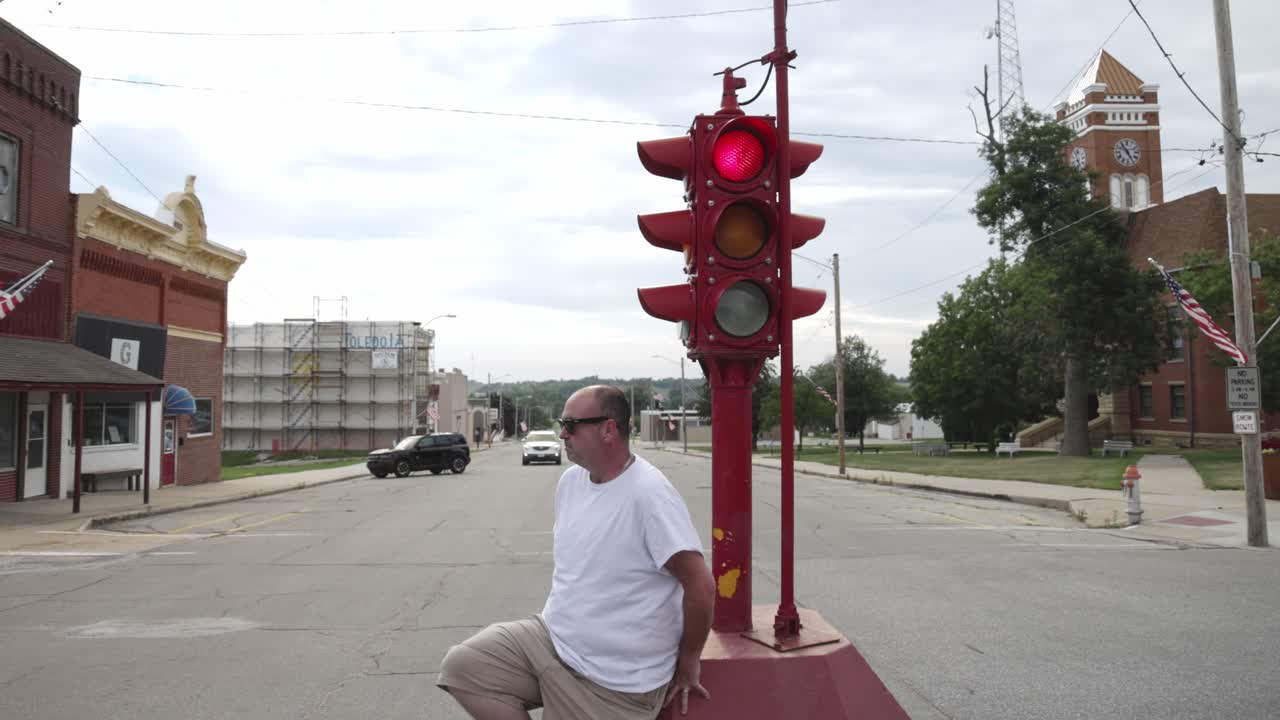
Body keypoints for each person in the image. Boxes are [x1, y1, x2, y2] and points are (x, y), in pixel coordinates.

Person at [439, 385, 716, 720]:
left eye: (571, 425)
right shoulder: (571, 482)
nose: (562, 434)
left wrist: (689, 662)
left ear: (608, 429)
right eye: (561, 423)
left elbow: (700, 584)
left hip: (615, 680)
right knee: (464, 668)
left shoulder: (649, 495)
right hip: (552, 641)